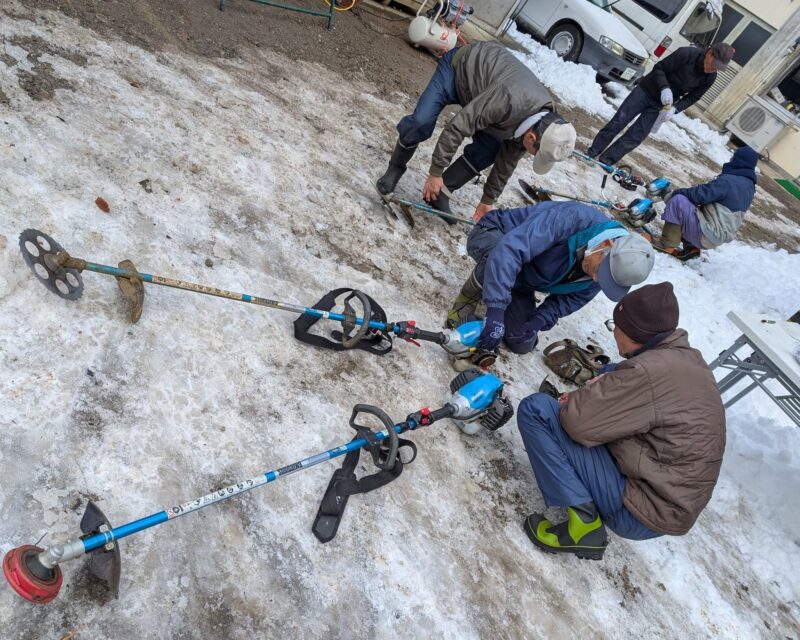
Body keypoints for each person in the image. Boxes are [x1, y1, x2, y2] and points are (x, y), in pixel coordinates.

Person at [516, 282, 726, 560]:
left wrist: (579, 402)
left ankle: (584, 527)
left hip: (642, 510)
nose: (614, 333)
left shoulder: (647, 372)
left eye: (616, 326)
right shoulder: (686, 360)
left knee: (538, 410)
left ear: (634, 333)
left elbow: (578, 423)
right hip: (671, 503)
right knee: (612, 373)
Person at [376, 41, 576, 222]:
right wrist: (435, 172)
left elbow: (508, 160)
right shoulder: (509, 100)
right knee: (421, 121)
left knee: (490, 148)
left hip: (485, 94)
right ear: (531, 138)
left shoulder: (544, 121)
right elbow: (459, 126)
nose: (532, 155)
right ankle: (395, 167)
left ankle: (441, 194)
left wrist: (488, 200)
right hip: (458, 71)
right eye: (536, 153)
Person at [445, 201, 655, 356]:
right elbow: (509, 251)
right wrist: (496, 309)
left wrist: (539, 319)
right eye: (599, 273)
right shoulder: (572, 219)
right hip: (496, 236)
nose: (594, 279)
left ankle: (508, 289)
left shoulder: (609, 269)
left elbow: (571, 299)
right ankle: (466, 301)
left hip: (525, 276)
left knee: (521, 343)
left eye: (603, 280)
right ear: (605, 245)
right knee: (496, 258)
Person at [586, 43, 735, 167]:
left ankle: (607, 160)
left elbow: (694, 97)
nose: (713, 69)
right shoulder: (686, 54)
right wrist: (664, 87)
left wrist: (676, 109)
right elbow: (659, 68)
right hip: (646, 90)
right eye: (714, 64)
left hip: (662, 105)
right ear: (709, 53)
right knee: (620, 120)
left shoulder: (710, 77)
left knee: (636, 135)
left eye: (718, 68)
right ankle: (594, 150)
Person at [650, 145, 758, 260]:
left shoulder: (729, 181)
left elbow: (699, 195)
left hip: (707, 235)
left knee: (679, 201)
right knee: (697, 208)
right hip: (716, 236)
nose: (730, 160)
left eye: (734, 157)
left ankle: (666, 243)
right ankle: (691, 248)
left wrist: (674, 194)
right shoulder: (749, 187)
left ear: (739, 161)